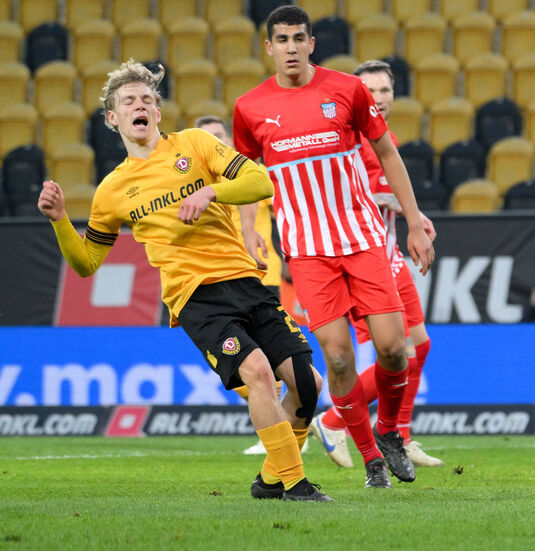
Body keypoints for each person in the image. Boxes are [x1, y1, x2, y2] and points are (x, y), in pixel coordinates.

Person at [37, 60, 330, 502]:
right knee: (258, 373)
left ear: (158, 111)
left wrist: (211, 190)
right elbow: (86, 263)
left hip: (244, 281)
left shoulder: (196, 143)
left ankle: (271, 479)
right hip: (195, 298)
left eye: (146, 99)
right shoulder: (112, 190)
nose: (139, 106)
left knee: (309, 384)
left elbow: (260, 181)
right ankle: (295, 484)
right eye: (128, 101)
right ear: (113, 117)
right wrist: (60, 220)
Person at [232, 5, 434, 489]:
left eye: (299, 38)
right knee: (339, 360)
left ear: (311, 43)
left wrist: (413, 221)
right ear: (269, 47)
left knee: (395, 350)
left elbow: (387, 152)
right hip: (307, 252)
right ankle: (372, 460)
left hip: (363, 240)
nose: (291, 48)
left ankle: (389, 429)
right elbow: (244, 173)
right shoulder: (250, 107)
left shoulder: (347, 89)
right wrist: (249, 228)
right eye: (282, 40)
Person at [309, 60, 444, 469]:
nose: (378, 98)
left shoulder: (384, 137)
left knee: (420, 345)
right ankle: (333, 422)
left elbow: (385, 195)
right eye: (370, 90)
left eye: (385, 90)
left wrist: (413, 215)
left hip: (390, 256)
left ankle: (401, 435)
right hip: (362, 261)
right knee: (399, 351)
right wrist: (409, 212)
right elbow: (355, 199)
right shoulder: (345, 140)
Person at [194, 115, 304, 456]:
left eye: (219, 136)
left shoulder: (251, 173)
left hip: (260, 277)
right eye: (207, 137)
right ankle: (285, 423)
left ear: (229, 139)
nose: (216, 142)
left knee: (268, 363)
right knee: (251, 367)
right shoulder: (193, 185)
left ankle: (282, 431)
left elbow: (286, 210)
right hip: (218, 283)